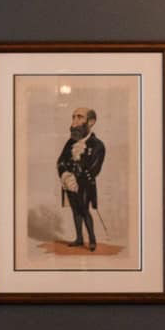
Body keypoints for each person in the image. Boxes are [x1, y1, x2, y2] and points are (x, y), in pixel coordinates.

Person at [56, 105, 105, 253]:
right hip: (69, 184)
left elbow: (94, 169)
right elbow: (61, 161)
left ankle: (92, 240)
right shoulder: (70, 143)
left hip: (85, 185)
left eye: (79, 117)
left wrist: (77, 179)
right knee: (75, 211)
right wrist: (65, 175)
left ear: (91, 122)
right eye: (73, 117)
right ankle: (79, 238)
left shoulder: (97, 145)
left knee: (84, 210)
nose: (74, 121)